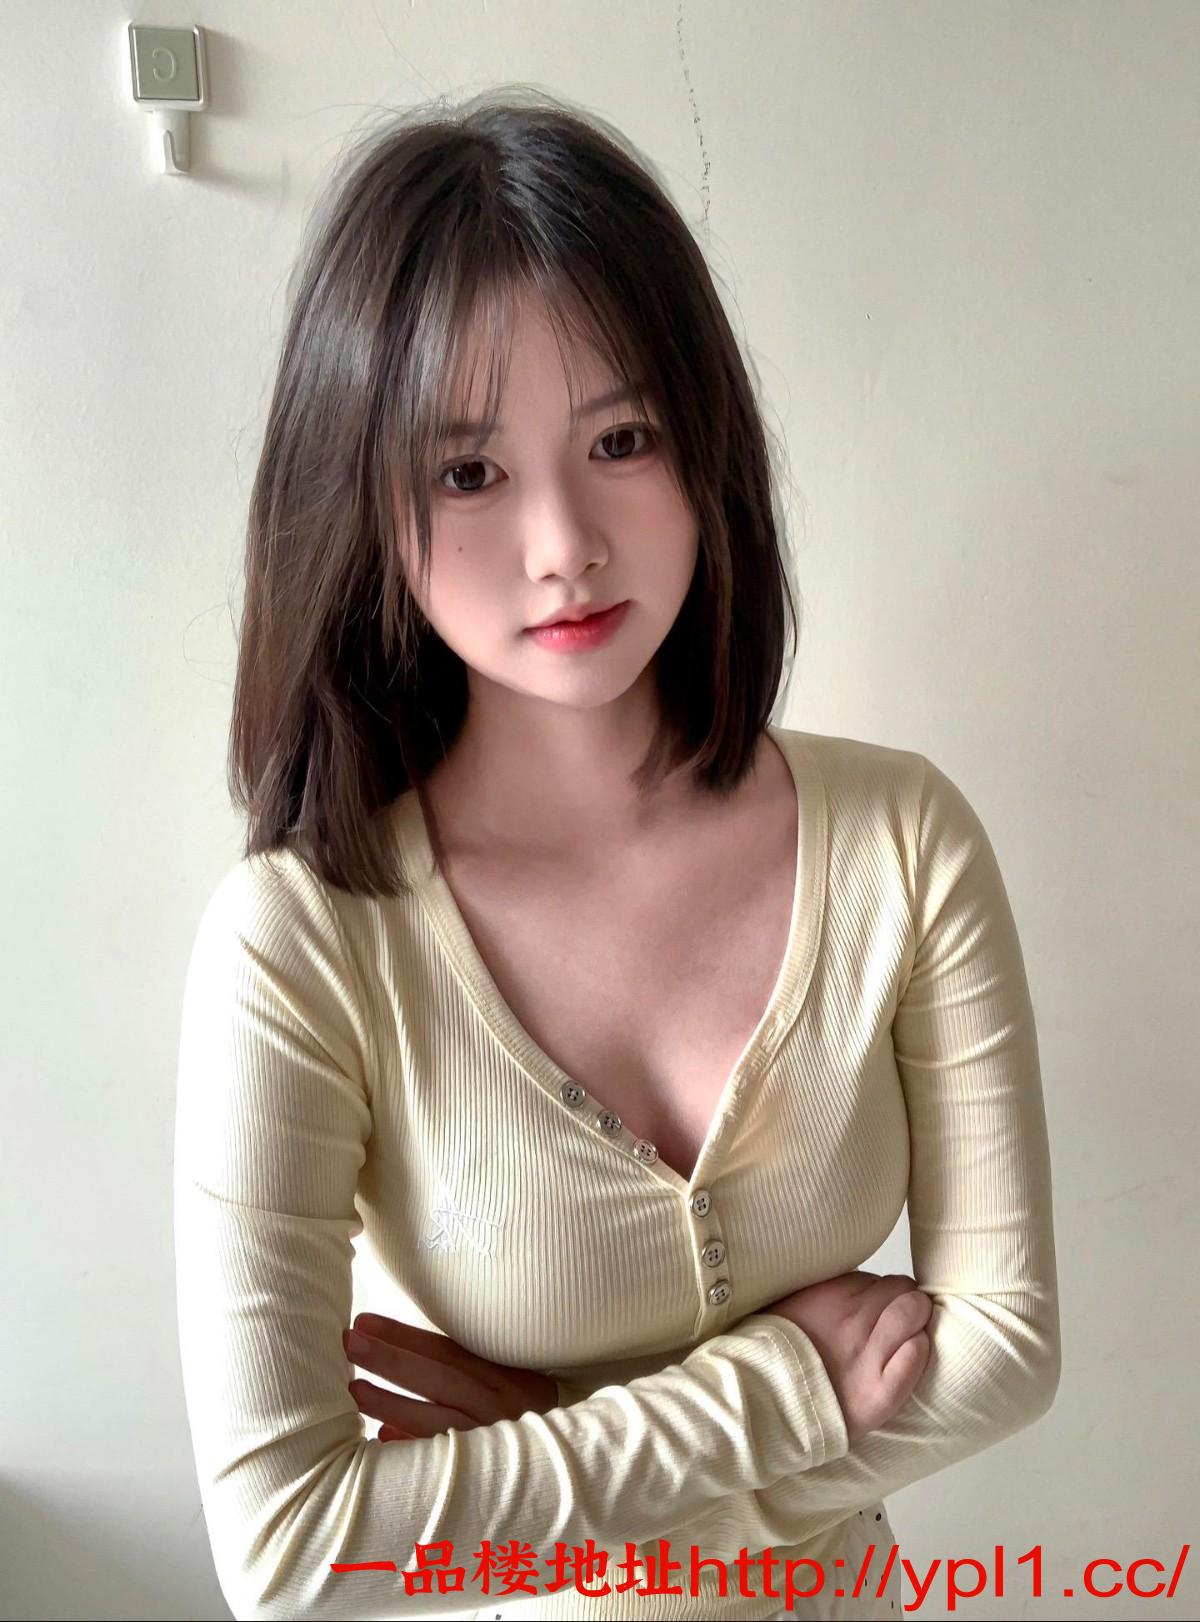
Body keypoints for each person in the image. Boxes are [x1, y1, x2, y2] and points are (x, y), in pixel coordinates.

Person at [173, 88, 1061, 1622]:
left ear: (703, 446)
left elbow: (1010, 1349)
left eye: (620, 438)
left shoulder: (902, 840)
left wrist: (544, 1451)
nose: (564, 543)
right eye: (468, 472)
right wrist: (784, 1387)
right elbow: (293, 1552)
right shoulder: (301, 942)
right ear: (363, 501)